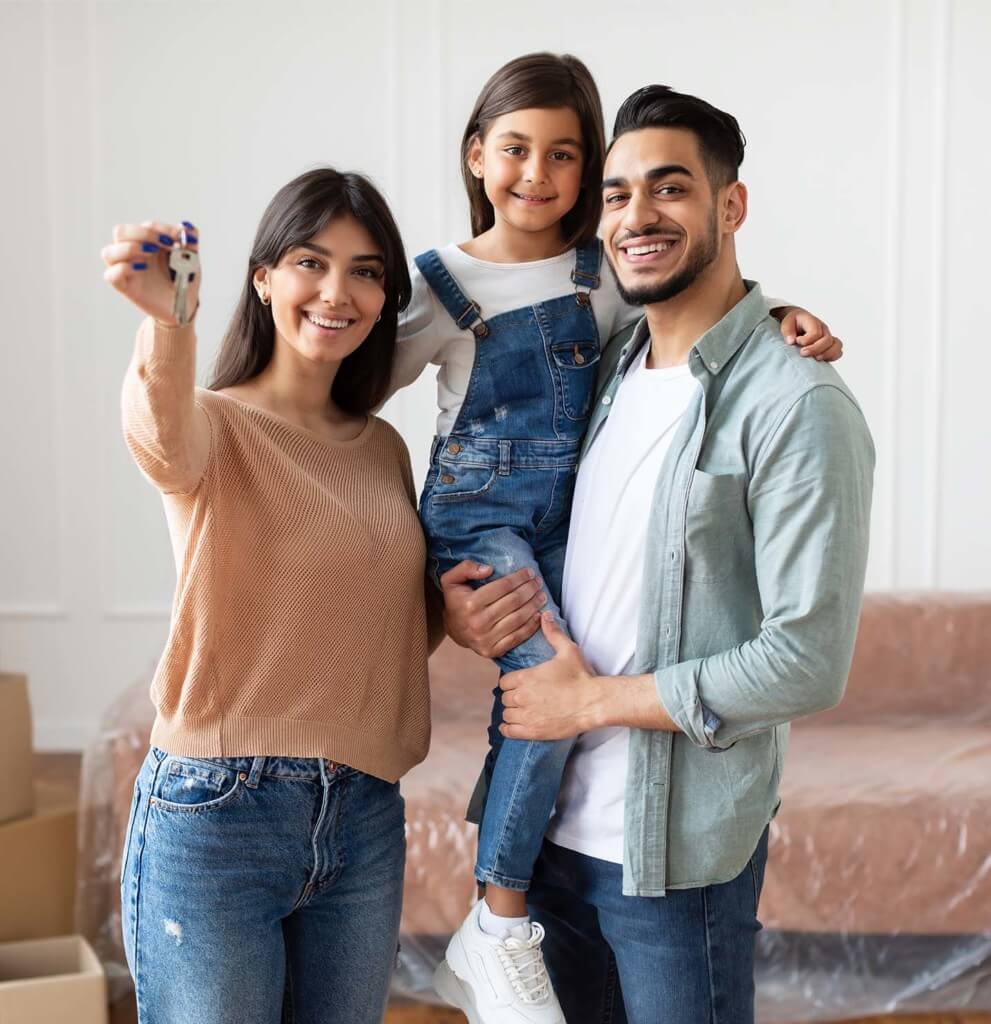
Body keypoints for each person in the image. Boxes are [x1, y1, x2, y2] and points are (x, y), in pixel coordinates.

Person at [389, 53, 844, 1024]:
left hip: (667, 857)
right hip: (552, 843)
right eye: (619, 193)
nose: (639, 214)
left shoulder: (792, 402)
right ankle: (497, 918)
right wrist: (450, 602)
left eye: (671, 188)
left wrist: (587, 699)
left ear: (732, 205)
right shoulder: (615, 357)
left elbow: (806, 660)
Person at [104, 168, 441, 1024]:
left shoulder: (382, 452)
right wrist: (169, 321)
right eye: (310, 261)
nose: (338, 292)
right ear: (263, 278)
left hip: (362, 814)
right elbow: (158, 435)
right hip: (220, 812)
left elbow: (372, 626)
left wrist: (457, 614)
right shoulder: (213, 423)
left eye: (367, 272)